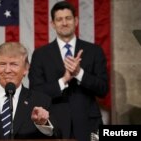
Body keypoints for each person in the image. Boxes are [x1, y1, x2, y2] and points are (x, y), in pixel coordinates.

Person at [28, 1, 109, 141]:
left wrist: (79, 73)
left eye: (68, 18)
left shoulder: (94, 51)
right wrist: (63, 80)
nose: (64, 23)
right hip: (55, 126)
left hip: (89, 126)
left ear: (76, 21)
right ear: (52, 24)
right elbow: (35, 92)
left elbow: (103, 89)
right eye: (59, 19)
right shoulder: (40, 54)